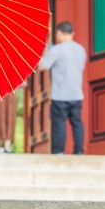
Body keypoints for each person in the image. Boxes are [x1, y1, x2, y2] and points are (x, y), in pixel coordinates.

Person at [37, 21, 87, 155]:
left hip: (60, 94)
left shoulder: (57, 50)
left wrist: (45, 53)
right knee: (77, 123)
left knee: (59, 123)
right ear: (73, 33)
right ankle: (79, 150)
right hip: (76, 93)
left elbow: (42, 66)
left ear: (59, 33)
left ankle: (59, 151)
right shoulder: (81, 49)